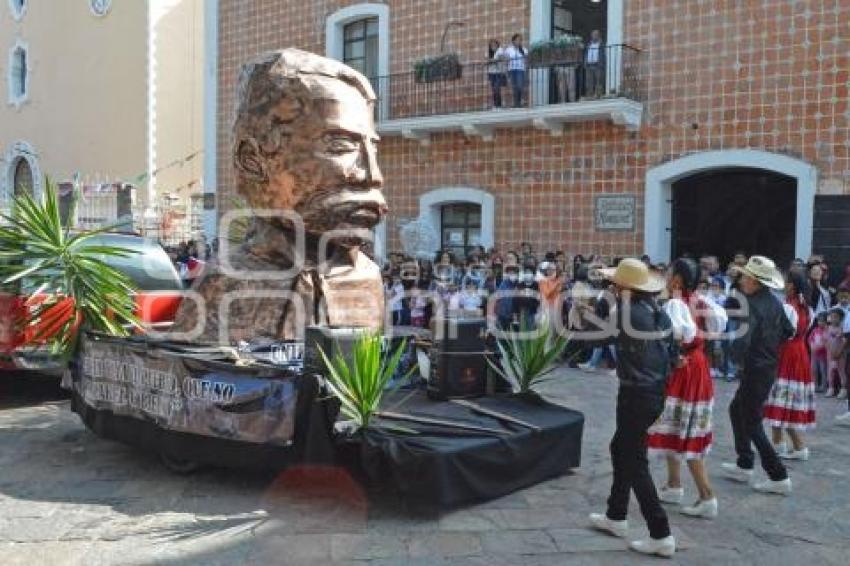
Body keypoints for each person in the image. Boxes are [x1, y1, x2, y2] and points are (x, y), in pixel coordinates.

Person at [588, 258, 677, 558]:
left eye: (614, 284)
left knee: (634, 459)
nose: (611, 287)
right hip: (654, 391)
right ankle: (616, 515)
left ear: (623, 286)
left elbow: (596, 338)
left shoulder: (626, 311)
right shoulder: (657, 312)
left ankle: (660, 533)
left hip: (636, 394)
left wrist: (583, 314)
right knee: (620, 448)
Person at [648, 259, 724, 519]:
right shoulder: (701, 301)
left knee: (687, 428)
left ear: (677, 279)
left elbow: (679, 337)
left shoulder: (675, 304)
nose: (667, 278)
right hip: (697, 367)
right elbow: (715, 328)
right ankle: (673, 484)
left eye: (670, 274)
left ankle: (706, 495)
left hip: (685, 368)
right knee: (678, 425)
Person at [722, 256, 795, 495]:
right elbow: (788, 329)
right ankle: (744, 462)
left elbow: (743, 339)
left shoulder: (750, 304)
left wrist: (733, 357)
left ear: (754, 281)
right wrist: (769, 347)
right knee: (736, 410)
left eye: (744, 276)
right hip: (766, 365)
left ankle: (778, 474)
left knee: (752, 422)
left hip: (756, 368)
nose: (741, 279)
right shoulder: (773, 301)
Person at [763, 271, 815, 461]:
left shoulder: (789, 307)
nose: (784, 284)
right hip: (800, 353)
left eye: (787, 282)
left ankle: (783, 445)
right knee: (787, 400)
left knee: (780, 399)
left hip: (787, 354)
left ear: (792, 285)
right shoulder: (806, 307)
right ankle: (788, 445)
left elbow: (780, 334)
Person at [826, 308, 846, 398]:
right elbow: (826, 341)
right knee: (830, 371)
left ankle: (843, 389)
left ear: (841, 318)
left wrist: (839, 352)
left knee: (841, 372)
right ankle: (831, 388)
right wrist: (830, 351)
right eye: (832, 317)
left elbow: (844, 341)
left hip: (840, 354)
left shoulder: (842, 329)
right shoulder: (828, 328)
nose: (833, 319)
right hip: (831, 354)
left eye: (836, 317)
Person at [503, 34, 527, 107]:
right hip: (512, 69)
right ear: (513, 41)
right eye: (517, 40)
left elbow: (526, 60)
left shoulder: (524, 49)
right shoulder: (509, 49)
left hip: (520, 69)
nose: (518, 41)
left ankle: (518, 102)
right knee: (514, 87)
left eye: (520, 40)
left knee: (520, 86)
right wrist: (506, 70)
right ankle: (516, 103)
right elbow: (506, 59)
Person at [808, 313, 829, 393]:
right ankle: (815, 385)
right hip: (814, 355)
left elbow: (826, 342)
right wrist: (811, 346)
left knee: (823, 370)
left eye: (822, 321)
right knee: (814, 370)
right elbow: (809, 339)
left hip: (822, 355)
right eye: (819, 321)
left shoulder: (827, 331)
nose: (820, 323)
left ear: (826, 322)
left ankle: (824, 386)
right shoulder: (815, 330)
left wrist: (819, 346)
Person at [583, 30, 606, 99]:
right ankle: (589, 95)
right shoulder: (589, 44)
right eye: (593, 35)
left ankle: (598, 95)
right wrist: (585, 62)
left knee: (598, 80)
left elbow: (604, 55)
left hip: (598, 64)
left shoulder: (601, 44)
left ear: (599, 36)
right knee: (589, 81)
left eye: (596, 35)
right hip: (589, 64)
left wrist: (602, 63)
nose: (594, 36)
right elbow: (586, 54)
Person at [487, 39, 507, 108]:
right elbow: (486, 61)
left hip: (499, 73)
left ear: (497, 45)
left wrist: (492, 60)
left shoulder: (500, 50)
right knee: (494, 89)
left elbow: (502, 58)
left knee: (496, 88)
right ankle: (496, 104)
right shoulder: (489, 52)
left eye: (494, 45)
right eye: (491, 45)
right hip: (491, 73)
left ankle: (499, 105)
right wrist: (492, 60)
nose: (493, 46)